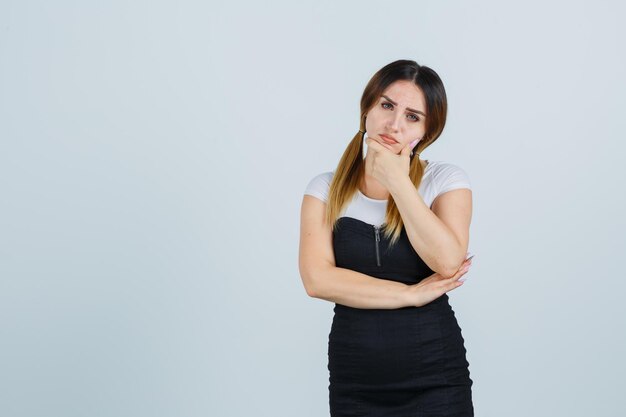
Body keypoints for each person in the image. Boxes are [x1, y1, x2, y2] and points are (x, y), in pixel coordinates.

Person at [298, 59, 475, 416]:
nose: (394, 124)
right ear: (367, 108)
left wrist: (397, 180)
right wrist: (409, 294)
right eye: (387, 105)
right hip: (356, 379)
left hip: (436, 375)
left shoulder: (445, 182)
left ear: (426, 131)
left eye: (413, 116)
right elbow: (317, 280)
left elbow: (447, 261)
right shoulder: (325, 189)